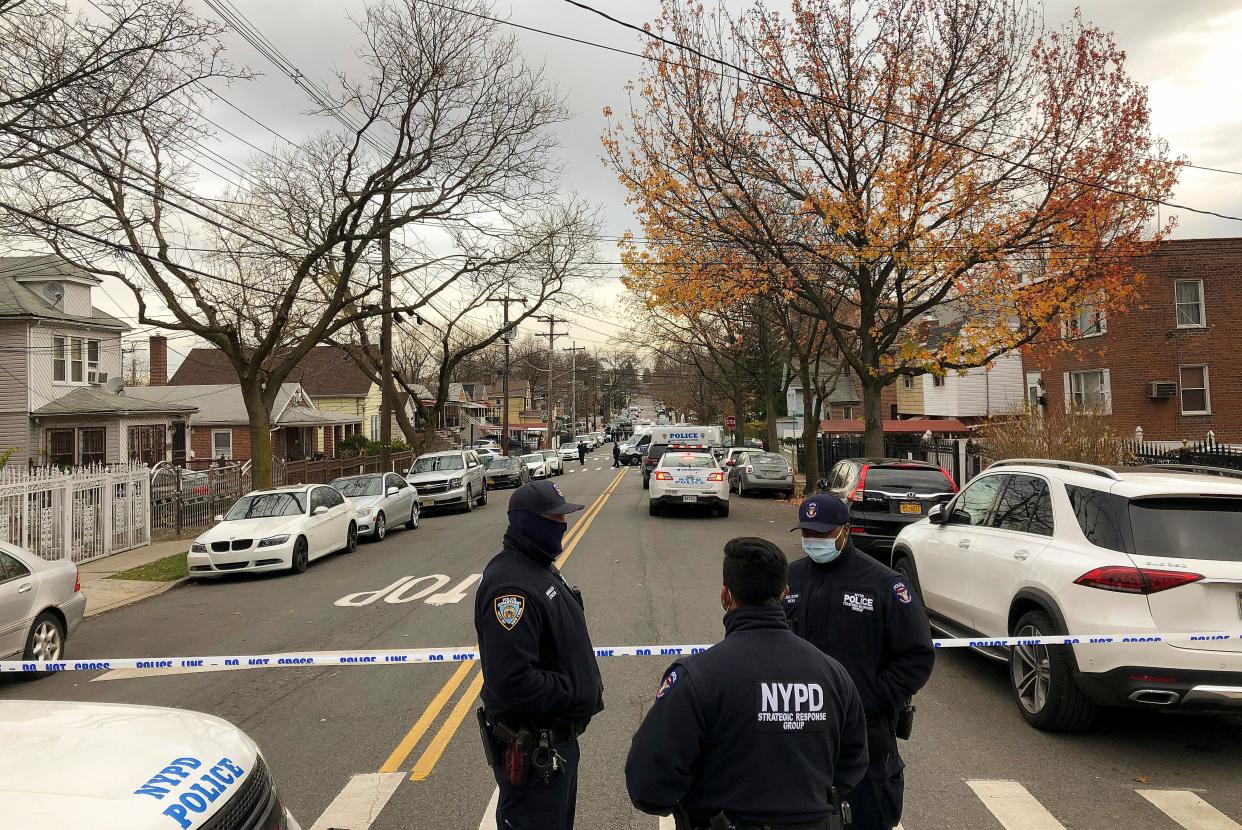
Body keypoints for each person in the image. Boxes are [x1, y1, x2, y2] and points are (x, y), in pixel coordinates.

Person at [626, 537, 869, 830]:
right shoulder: (833, 674)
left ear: (725, 596)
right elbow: (853, 763)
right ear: (785, 593)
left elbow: (648, 785)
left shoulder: (697, 677)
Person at [785, 494, 935, 830]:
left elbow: (917, 655)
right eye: (807, 533)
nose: (814, 541)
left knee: (868, 815)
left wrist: (870, 699)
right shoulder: (789, 580)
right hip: (800, 731)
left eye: (823, 534)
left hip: (865, 733)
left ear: (845, 531)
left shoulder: (883, 585)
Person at [474, 480, 604, 830]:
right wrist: (573, 690)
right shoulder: (511, 589)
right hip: (533, 755)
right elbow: (512, 681)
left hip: (556, 745)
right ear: (528, 524)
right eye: (554, 519)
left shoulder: (537, 567)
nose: (562, 526)